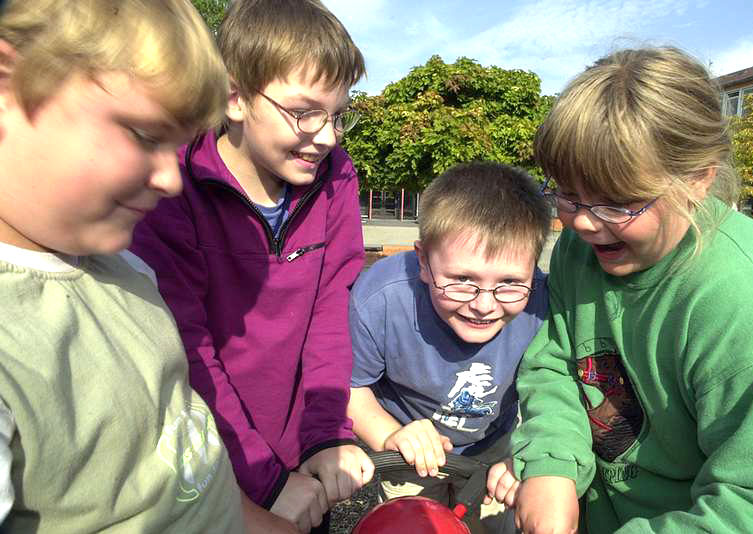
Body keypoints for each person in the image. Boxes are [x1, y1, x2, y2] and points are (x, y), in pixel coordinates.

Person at [0, 0, 301, 532]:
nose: (172, 179)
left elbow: (182, 451)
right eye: (144, 136)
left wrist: (248, 517)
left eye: (179, 147)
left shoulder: (128, 271)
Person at [511, 46, 753, 533]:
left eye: (618, 203)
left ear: (698, 180)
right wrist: (552, 464)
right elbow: (556, 358)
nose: (581, 221)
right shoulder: (583, 249)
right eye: (568, 193)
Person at [130, 1, 373, 532]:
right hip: (207, 466)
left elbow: (329, 313)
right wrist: (263, 480)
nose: (327, 135)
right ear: (236, 99)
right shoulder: (174, 190)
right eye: (305, 112)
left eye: (337, 114)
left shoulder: (335, 178)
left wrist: (327, 434)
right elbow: (186, 351)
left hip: (303, 459)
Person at [348, 161, 551, 534]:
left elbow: (558, 389)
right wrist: (389, 435)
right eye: (461, 280)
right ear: (423, 260)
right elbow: (351, 387)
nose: (484, 305)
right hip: (409, 444)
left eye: (509, 282)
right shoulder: (380, 299)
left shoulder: (545, 302)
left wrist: (530, 452)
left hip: (496, 447)